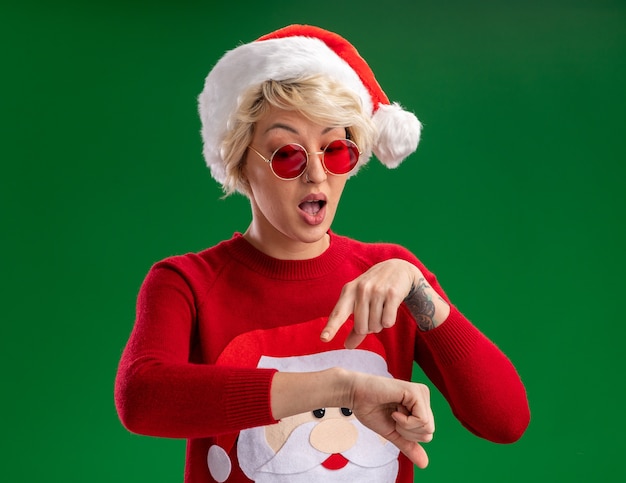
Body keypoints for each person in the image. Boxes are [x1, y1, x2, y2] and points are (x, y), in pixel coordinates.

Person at [115, 24, 530, 483]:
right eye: (287, 154)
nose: (316, 174)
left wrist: (420, 293)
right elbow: (142, 397)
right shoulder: (186, 281)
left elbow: (506, 420)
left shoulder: (389, 276)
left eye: (335, 150)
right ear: (240, 162)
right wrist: (339, 387)